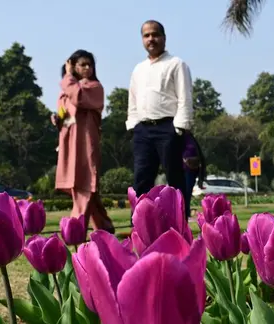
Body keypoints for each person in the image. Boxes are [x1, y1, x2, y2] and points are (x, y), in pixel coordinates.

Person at [126, 20, 193, 206]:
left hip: (168, 128)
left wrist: (180, 127)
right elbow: (133, 99)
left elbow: (184, 97)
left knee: (175, 179)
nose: (151, 39)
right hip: (143, 130)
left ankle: (180, 224)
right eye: (146, 35)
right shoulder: (139, 69)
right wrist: (133, 124)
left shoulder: (176, 64)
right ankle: (139, 225)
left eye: (155, 34)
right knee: (141, 179)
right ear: (142, 40)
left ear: (164, 37)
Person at [53, 50, 114, 233]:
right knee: (85, 187)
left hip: (85, 143)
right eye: (83, 64)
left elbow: (79, 98)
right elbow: (66, 114)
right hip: (70, 144)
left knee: (85, 183)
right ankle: (104, 228)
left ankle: (75, 229)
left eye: (90, 64)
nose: (87, 68)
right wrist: (57, 120)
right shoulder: (66, 91)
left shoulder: (94, 87)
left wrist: (68, 76)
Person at [182, 132, 206, 219]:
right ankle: (182, 212)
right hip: (180, 170)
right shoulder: (175, 136)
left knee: (187, 193)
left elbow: (200, 159)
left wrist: (201, 177)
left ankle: (185, 212)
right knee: (180, 193)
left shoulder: (191, 139)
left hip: (190, 171)